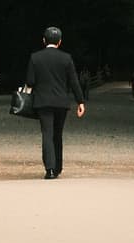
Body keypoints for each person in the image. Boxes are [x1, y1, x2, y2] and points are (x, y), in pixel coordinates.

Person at [23, 26, 87, 179]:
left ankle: (50, 169)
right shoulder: (66, 58)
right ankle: (58, 168)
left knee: (47, 134)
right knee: (58, 134)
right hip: (61, 102)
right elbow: (74, 82)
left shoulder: (35, 57)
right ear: (59, 42)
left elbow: (30, 81)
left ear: (44, 40)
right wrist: (80, 101)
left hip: (43, 102)